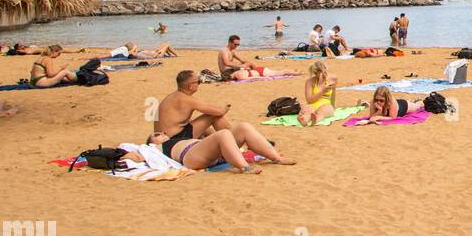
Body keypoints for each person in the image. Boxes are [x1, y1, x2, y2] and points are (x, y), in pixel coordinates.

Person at [143, 122, 294, 174]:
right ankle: (245, 168)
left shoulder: (179, 137)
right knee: (223, 134)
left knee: (243, 127)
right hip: (190, 157)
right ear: (152, 142)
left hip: (208, 151)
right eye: (157, 134)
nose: (162, 134)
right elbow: (137, 154)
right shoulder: (154, 148)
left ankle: (276, 158)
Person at [155, 70, 234, 152]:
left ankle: (226, 141)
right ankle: (235, 143)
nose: (199, 83)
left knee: (205, 129)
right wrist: (227, 107)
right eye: (198, 82)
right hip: (174, 140)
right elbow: (219, 112)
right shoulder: (187, 99)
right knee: (212, 116)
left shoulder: (173, 97)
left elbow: (183, 122)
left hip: (162, 140)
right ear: (190, 86)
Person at [218, 35, 293, 80]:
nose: (237, 46)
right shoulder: (224, 51)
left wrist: (247, 63)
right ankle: (259, 74)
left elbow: (242, 59)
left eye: (238, 45)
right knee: (245, 69)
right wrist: (241, 66)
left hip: (232, 69)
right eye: (235, 44)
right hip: (226, 72)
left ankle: (260, 71)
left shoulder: (232, 51)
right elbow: (226, 63)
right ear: (230, 42)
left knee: (249, 64)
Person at [353, 85, 424, 120]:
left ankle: (420, 101)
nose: (378, 102)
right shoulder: (373, 102)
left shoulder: (392, 102)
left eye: (381, 100)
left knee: (417, 106)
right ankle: (414, 100)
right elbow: (372, 117)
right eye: (377, 99)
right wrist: (380, 111)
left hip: (403, 106)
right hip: (395, 107)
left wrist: (379, 117)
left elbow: (393, 117)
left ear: (386, 99)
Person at [300, 61, 339, 126]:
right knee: (308, 111)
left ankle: (316, 119)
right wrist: (322, 92)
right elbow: (309, 100)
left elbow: (333, 94)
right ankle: (304, 119)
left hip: (325, 103)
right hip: (312, 103)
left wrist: (333, 106)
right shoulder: (310, 82)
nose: (323, 74)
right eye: (320, 72)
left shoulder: (333, 79)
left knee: (321, 112)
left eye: (324, 71)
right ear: (315, 73)